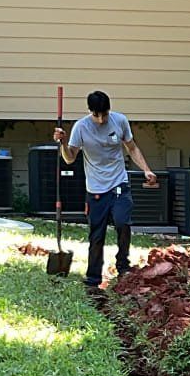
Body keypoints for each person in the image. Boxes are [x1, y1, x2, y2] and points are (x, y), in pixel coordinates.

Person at [54, 90, 160, 287]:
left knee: (123, 222)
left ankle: (123, 267)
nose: (101, 120)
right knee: (97, 234)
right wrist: (62, 142)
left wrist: (146, 170)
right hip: (95, 189)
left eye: (104, 114)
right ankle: (93, 278)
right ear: (90, 111)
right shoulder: (81, 127)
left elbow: (132, 148)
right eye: (96, 115)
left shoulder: (119, 121)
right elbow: (69, 158)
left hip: (119, 183)